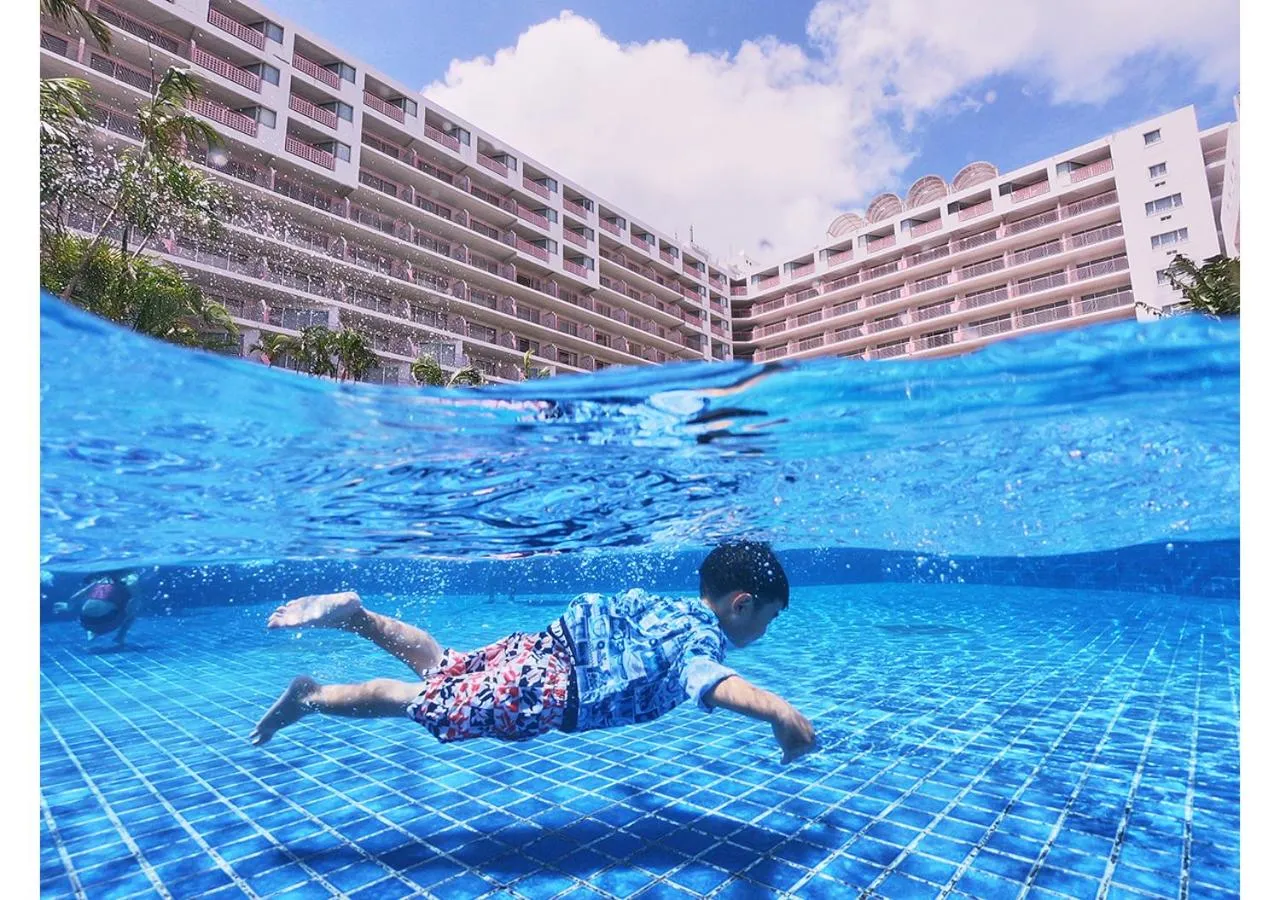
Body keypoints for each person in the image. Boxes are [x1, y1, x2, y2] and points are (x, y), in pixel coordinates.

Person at [251, 541, 817, 763]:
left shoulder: (674, 607)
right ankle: (312, 697)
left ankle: (357, 617)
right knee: (423, 699)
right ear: (741, 605)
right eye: (768, 619)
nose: (764, 633)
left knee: (444, 664)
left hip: (544, 647)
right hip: (549, 690)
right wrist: (778, 711)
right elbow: (706, 677)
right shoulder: (702, 637)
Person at [53, 571, 138, 644]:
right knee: (133, 612)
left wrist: (68, 607)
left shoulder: (99, 582)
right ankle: (120, 637)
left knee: (92, 600)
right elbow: (132, 606)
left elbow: (76, 597)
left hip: (84, 622)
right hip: (106, 624)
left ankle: (92, 631)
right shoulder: (130, 583)